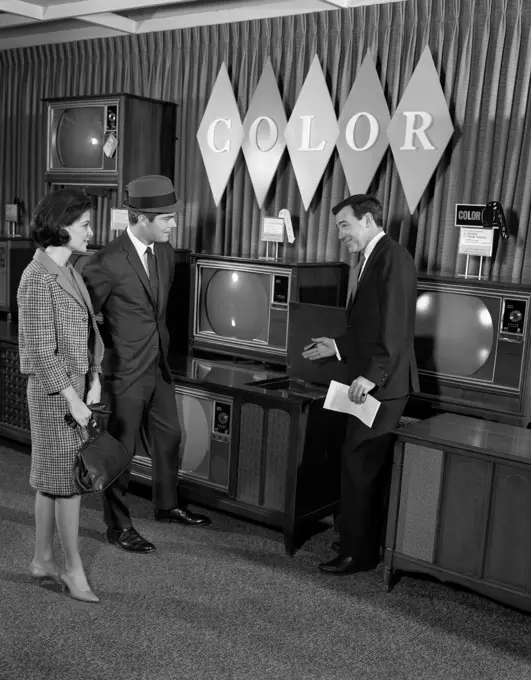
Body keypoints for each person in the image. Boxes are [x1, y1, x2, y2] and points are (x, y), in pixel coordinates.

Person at [82, 175, 211, 554]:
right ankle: (117, 526)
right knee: (120, 451)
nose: (174, 224)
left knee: (169, 437)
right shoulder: (105, 262)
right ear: (141, 219)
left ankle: (166, 505)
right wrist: (94, 371)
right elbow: (85, 319)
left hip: (159, 366)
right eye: (167, 218)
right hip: (124, 371)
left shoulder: (166, 252)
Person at [302, 194, 419, 574]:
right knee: (354, 463)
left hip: (382, 384)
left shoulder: (394, 258)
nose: (340, 235)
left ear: (368, 220)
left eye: (344, 226)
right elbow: (368, 326)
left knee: (360, 465)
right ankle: (354, 538)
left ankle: (360, 554)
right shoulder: (370, 258)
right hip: (369, 380)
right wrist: (335, 346)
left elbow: (397, 327)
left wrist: (372, 376)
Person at [17, 188, 104, 603]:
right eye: (85, 224)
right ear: (61, 227)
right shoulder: (36, 279)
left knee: (52, 483)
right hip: (55, 396)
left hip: (75, 390)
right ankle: (72, 569)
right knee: (68, 483)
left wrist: (96, 376)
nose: (91, 231)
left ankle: (41, 560)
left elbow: (89, 328)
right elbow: (39, 350)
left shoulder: (68, 268)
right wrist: (73, 398)